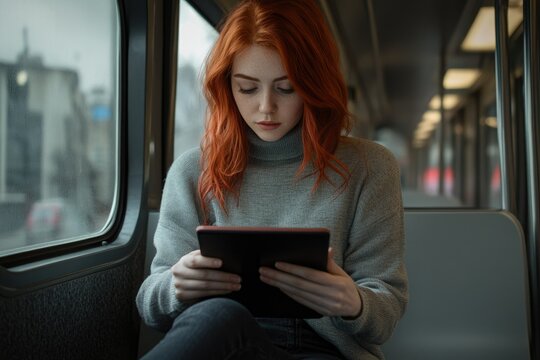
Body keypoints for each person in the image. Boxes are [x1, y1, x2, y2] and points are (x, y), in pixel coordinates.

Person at [136, 0, 408, 359]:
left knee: (219, 317)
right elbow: (150, 305)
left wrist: (352, 301)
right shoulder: (193, 170)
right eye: (247, 88)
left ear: (314, 85)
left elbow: (384, 314)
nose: (265, 107)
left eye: (286, 88)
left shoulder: (370, 167)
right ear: (226, 87)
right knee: (219, 316)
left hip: (326, 349)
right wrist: (176, 285)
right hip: (221, 340)